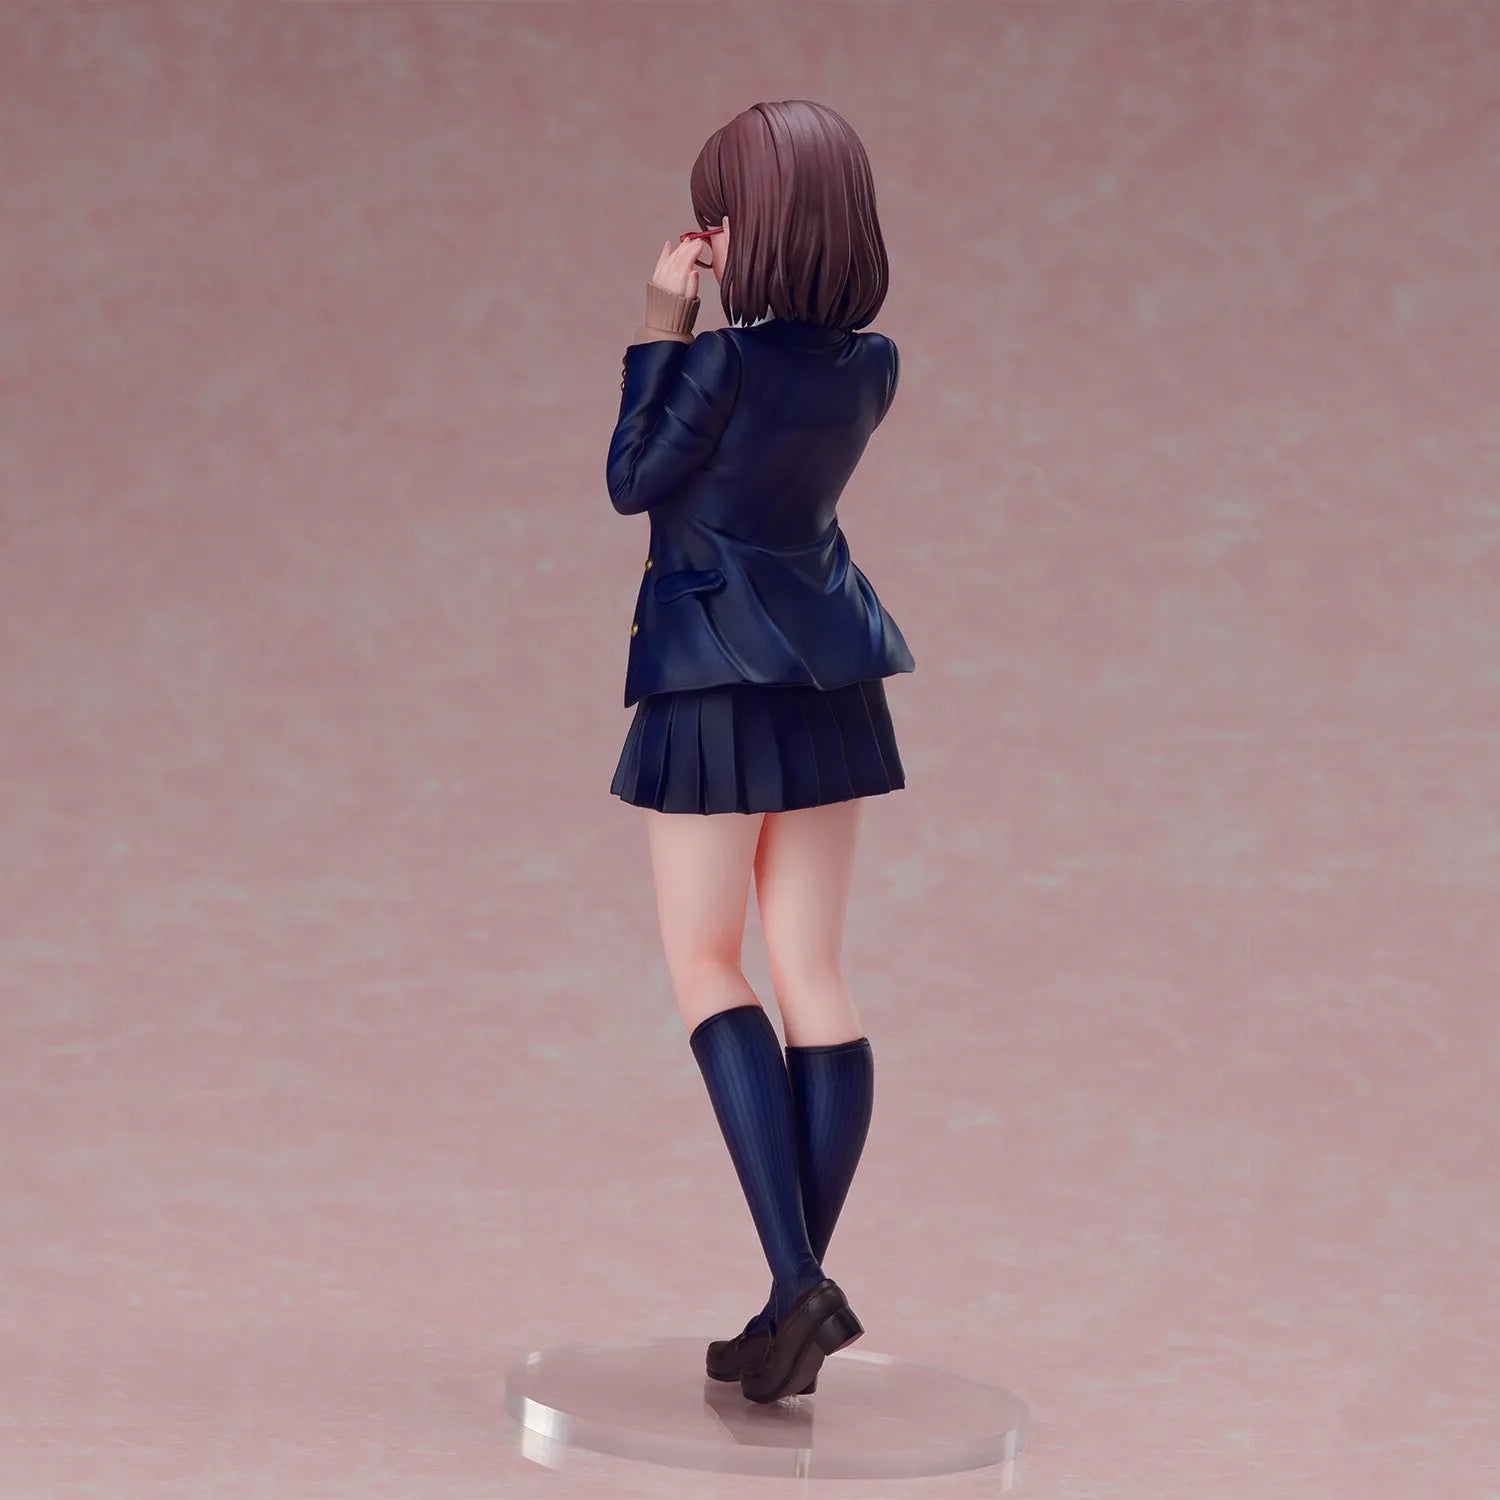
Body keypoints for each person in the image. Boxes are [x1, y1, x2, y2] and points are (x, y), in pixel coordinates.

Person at [605, 99, 914, 1404]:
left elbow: (633, 478)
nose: (709, 235)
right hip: (833, 678)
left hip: (709, 682)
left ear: (765, 224)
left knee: (704, 962)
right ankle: (794, 1308)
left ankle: (797, 1285)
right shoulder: (872, 366)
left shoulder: (721, 364)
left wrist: (661, 322)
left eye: (721, 214)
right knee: (816, 973)